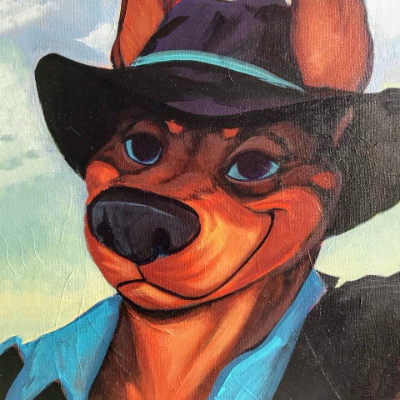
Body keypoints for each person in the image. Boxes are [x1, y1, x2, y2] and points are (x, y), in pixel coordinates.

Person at [1, 0, 399, 399]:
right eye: (143, 146)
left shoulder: (377, 356)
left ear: (330, 183)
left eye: (254, 165)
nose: (152, 205)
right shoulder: (18, 377)